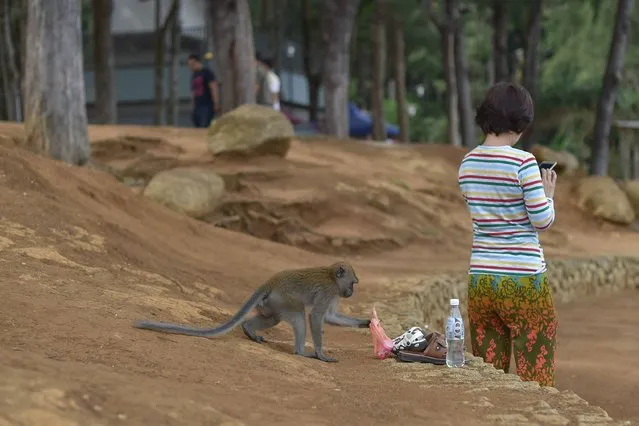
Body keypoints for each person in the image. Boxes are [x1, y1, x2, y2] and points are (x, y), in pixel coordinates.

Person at [457, 82, 558, 387]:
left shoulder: (467, 163)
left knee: (490, 376)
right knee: (536, 374)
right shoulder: (523, 162)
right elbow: (542, 221)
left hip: (482, 279)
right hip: (523, 280)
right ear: (521, 122)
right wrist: (548, 194)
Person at [187, 53, 219, 128]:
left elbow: (214, 87)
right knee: (197, 126)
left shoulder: (207, 73)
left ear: (196, 62)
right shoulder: (194, 75)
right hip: (197, 106)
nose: (190, 67)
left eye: (191, 65)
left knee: (204, 126)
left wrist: (216, 103)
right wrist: (193, 105)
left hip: (207, 105)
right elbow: (193, 91)